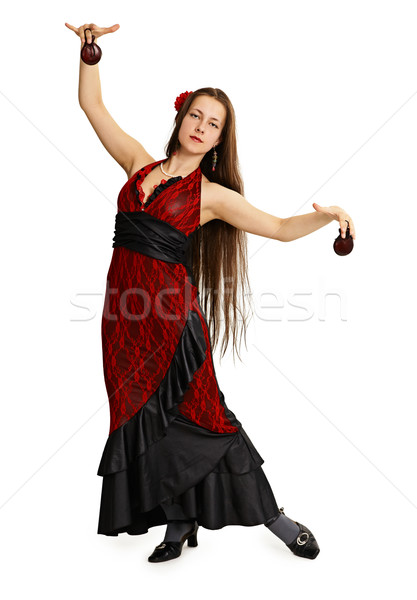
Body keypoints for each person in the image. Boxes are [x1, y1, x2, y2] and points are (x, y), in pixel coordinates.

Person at [66, 22, 356, 563]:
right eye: (196, 115)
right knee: (141, 419)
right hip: (122, 323)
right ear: (181, 119)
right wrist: (88, 52)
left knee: (206, 417)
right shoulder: (138, 164)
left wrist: (328, 217)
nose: (201, 126)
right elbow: (92, 106)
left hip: (173, 322)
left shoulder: (213, 196)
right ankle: (179, 523)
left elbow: (278, 228)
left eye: (213, 123)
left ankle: (276, 519)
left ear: (221, 139)